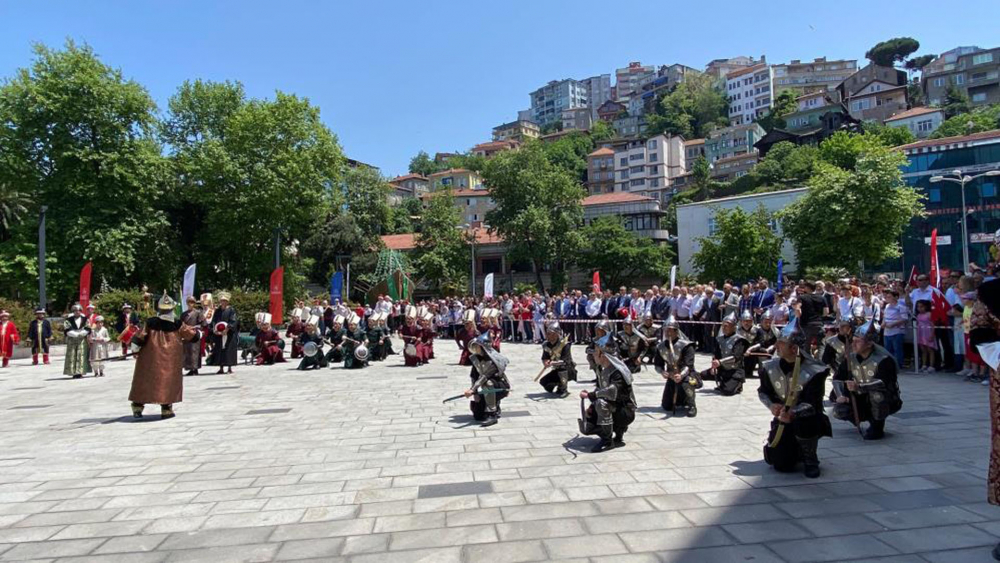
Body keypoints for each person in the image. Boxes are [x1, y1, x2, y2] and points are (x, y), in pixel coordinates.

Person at [758, 318, 832, 478]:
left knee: (805, 423)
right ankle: (793, 451)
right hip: (783, 419)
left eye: (781, 343)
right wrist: (772, 405)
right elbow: (763, 392)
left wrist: (792, 413)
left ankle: (810, 459)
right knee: (781, 464)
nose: (777, 346)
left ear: (793, 348)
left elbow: (813, 403)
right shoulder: (769, 367)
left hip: (806, 418)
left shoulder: (815, 371)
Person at [128, 293, 202, 419]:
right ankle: (166, 409)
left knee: (144, 381)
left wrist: (135, 348)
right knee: (168, 383)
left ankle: (137, 407)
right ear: (172, 309)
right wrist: (198, 334)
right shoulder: (178, 324)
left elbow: (139, 337)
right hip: (170, 360)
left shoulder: (150, 322)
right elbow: (192, 336)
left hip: (149, 358)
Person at [832, 318, 903, 440]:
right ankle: (859, 417)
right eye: (853, 341)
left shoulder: (884, 360)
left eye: (858, 341)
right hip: (859, 397)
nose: (853, 344)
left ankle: (877, 425)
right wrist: (840, 395)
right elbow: (838, 378)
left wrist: (859, 386)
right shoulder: (850, 358)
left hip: (883, 398)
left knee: (877, 395)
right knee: (839, 406)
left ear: (869, 343)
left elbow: (883, 383)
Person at [579, 333, 637, 452]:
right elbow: (601, 389)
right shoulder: (604, 370)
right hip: (616, 406)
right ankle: (618, 431)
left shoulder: (617, 372)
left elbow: (611, 391)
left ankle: (607, 441)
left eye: (596, 351)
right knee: (590, 422)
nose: (594, 354)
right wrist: (591, 407)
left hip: (625, 411)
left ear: (603, 355)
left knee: (601, 403)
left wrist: (591, 395)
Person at [655, 316, 699, 416]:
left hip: (687, 375)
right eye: (666, 330)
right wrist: (662, 372)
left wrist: (681, 375)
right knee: (666, 406)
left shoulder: (687, 345)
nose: (668, 333)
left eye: (670, 330)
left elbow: (689, 364)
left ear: (676, 331)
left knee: (687, 382)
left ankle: (692, 405)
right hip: (672, 376)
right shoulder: (661, 347)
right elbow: (658, 364)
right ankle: (680, 400)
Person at [463, 334, 511, 426]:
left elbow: (484, 376)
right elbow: (474, 376)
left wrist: (472, 389)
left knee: (488, 383)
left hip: (498, 386)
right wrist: (474, 392)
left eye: (477, 346)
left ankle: (492, 414)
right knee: (478, 416)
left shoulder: (493, 360)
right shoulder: (476, 358)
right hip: (484, 388)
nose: (475, 348)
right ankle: (493, 405)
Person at [703, 312, 749, 395]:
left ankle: (738, 384)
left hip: (734, 370)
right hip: (722, 368)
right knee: (702, 375)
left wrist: (720, 362)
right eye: (723, 325)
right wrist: (714, 367)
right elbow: (716, 355)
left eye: (727, 326)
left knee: (727, 391)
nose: (724, 328)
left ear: (734, 327)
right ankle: (723, 380)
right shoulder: (719, 339)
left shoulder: (739, 340)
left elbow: (736, 357)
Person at [539, 321, 575, 397]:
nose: (549, 335)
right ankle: (559, 385)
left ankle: (564, 389)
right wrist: (545, 362)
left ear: (556, 334)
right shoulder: (546, 345)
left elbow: (566, 361)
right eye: (548, 333)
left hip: (567, 369)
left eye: (551, 333)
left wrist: (553, 363)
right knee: (544, 382)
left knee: (562, 370)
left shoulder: (564, 344)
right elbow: (545, 357)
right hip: (556, 369)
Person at [208, 292, 238, 374]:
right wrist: (215, 329)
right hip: (219, 334)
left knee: (229, 350)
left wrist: (227, 329)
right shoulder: (217, 311)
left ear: (227, 301)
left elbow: (233, 321)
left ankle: (229, 367)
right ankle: (221, 367)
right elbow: (214, 321)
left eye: (225, 301)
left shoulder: (231, 310)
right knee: (219, 350)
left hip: (229, 334)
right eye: (222, 301)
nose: (223, 302)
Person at [881, 289, 908, 369]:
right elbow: (885, 317)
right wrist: (883, 323)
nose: (887, 298)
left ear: (896, 297)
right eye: (887, 297)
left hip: (897, 331)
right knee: (887, 349)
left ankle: (898, 365)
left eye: (889, 297)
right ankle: (889, 365)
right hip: (887, 331)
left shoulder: (901, 307)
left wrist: (893, 324)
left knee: (897, 349)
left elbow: (904, 319)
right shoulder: (887, 306)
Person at [63, 305, 91, 378]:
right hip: (72, 340)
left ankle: (80, 372)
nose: (77, 312)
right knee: (72, 355)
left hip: (82, 339)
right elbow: (66, 329)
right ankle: (73, 372)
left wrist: (82, 333)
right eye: (75, 310)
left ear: (81, 311)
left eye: (78, 310)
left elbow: (88, 328)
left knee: (81, 355)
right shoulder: (68, 320)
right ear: (73, 311)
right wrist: (75, 334)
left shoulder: (85, 319)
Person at [180, 297, 205, 375]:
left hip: (195, 334)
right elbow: (181, 324)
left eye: (192, 302)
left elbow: (203, 324)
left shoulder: (198, 313)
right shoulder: (184, 314)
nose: (190, 304)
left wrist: (196, 328)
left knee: (195, 351)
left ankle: (195, 368)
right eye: (189, 302)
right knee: (187, 351)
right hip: (186, 334)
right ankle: (190, 368)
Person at [738, 310, 764, 377]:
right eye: (744, 321)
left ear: (752, 321)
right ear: (741, 322)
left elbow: (761, 343)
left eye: (748, 321)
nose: (746, 323)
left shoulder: (758, 330)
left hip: (753, 351)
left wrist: (750, 349)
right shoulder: (737, 330)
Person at [915, 300, 937, 373]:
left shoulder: (929, 314)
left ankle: (931, 366)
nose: (919, 308)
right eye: (918, 307)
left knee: (930, 349)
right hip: (921, 333)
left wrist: (932, 334)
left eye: (921, 307)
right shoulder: (918, 315)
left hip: (928, 333)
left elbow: (933, 325)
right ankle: (924, 365)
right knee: (923, 350)